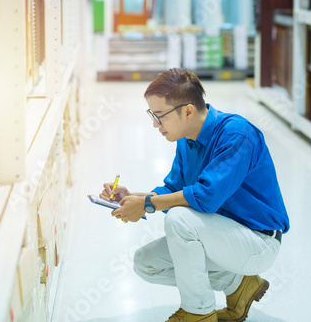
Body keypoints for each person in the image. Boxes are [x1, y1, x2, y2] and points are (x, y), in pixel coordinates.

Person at [99, 68, 290, 322]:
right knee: (146, 263)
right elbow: (173, 190)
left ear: (188, 111)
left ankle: (198, 312)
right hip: (223, 235)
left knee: (179, 220)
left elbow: (205, 197)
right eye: (152, 115)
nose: (155, 125)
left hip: (257, 241)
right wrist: (133, 197)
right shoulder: (186, 138)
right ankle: (239, 286)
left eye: (159, 116)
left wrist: (146, 204)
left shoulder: (236, 135)